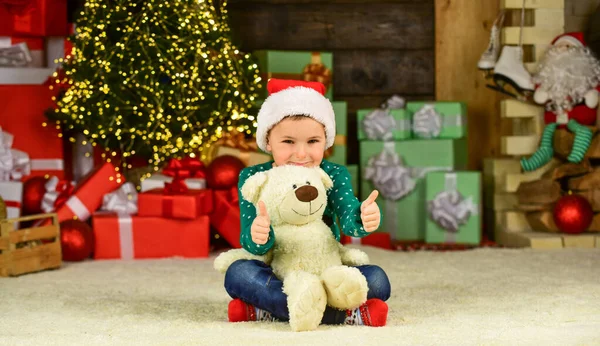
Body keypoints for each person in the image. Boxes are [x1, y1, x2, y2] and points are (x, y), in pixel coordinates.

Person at [223, 78, 391, 326]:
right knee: (238, 274)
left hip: (326, 269)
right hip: (279, 271)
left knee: (377, 280)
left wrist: (363, 217)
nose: (301, 154)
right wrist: (259, 235)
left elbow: (349, 219)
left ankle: (268, 310)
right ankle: (340, 314)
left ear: (326, 141)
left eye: (313, 142)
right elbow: (249, 241)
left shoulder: (333, 173)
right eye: (288, 142)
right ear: (268, 141)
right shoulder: (254, 178)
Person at [520, 32, 600, 171]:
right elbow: (539, 91)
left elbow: (595, 89)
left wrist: (592, 94)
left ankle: (575, 160)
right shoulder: (550, 77)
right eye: (559, 46)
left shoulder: (585, 77)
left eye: (568, 46)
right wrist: (542, 93)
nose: (563, 49)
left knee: (581, 131)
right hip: (555, 121)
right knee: (547, 134)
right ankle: (543, 154)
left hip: (578, 121)